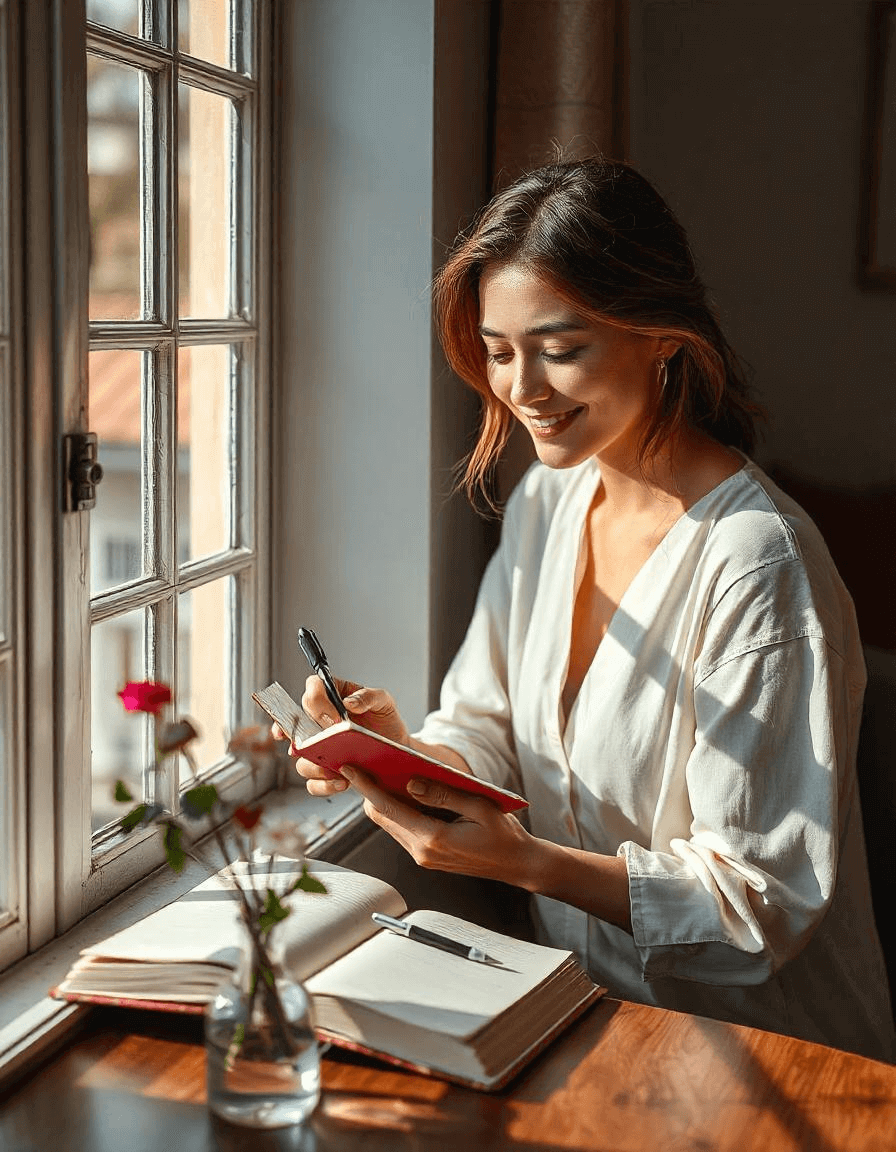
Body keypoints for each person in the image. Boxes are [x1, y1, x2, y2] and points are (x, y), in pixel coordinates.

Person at [280, 157, 895, 1062]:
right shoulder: (547, 503)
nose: (521, 389)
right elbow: (488, 725)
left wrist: (527, 863)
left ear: (662, 335)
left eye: (560, 349)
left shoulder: (760, 568)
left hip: (776, 1058)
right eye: (497, 351)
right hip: (584, 1024)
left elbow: (761, 906)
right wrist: (405, 756)